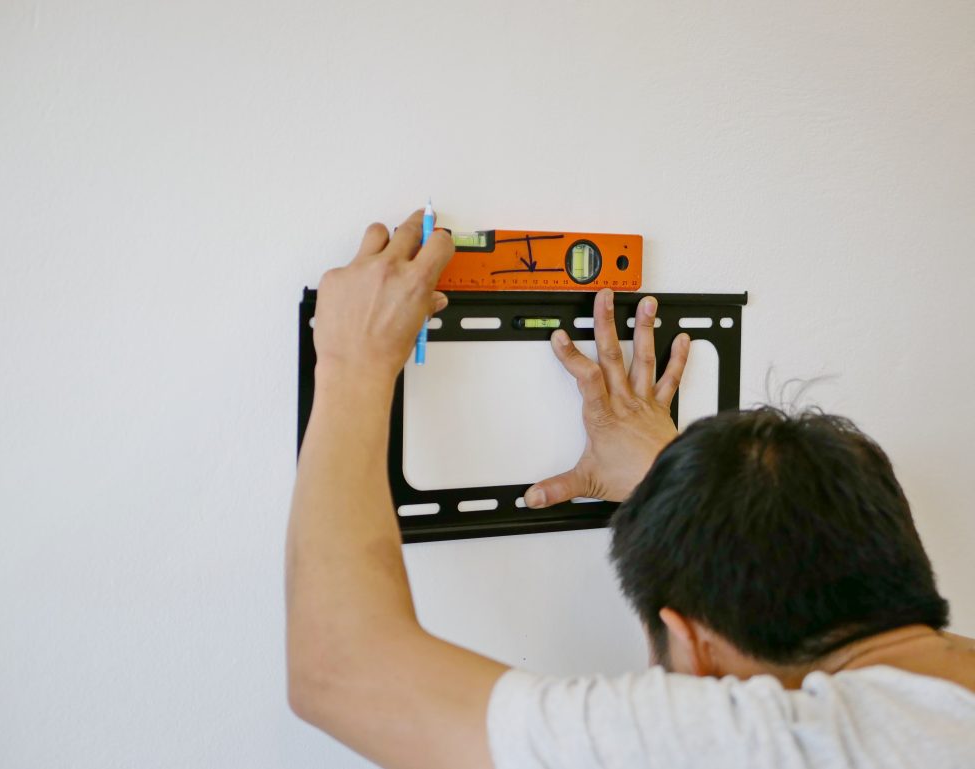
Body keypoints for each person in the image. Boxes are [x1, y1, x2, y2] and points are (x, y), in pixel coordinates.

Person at [285, 210, 975, 769]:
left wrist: (352, 362)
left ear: (692, 646)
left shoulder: (768, 744)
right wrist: (687, 490)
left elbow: (341, 668)